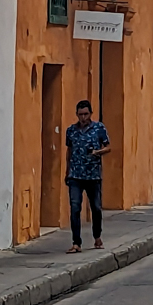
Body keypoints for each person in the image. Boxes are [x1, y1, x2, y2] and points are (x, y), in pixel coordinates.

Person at [65, 100, 111, 253]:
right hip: (75, 175)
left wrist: (98, 152)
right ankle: (76, 242)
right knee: (75, 208)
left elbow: (108, 147)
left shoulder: (99, 128)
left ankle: (97, 236)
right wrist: (67, 171)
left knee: (96, 208)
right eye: (80, 114)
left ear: (90, 113)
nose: (83, 117)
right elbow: (69, 151)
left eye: (85, 114)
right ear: (76, 114)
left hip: (93, 176)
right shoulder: (71, 131)